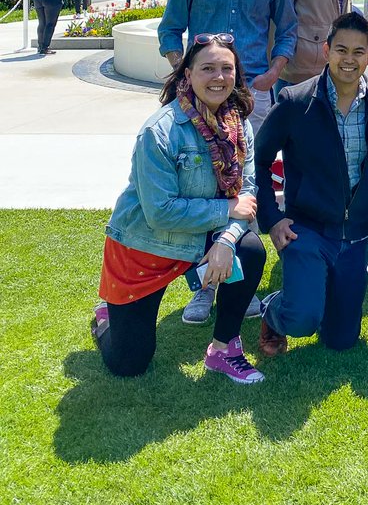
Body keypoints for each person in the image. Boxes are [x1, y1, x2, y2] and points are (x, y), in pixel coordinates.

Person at [158, 0, 297, 324]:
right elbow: (170, 28)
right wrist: (185, 71)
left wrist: (273, 73)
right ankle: (201, 285)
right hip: (196, 96)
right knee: (197, 187)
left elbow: (288, 31)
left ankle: (240, 281)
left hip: (249, 96)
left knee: (246, 186)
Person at [91, 34, 266, 383]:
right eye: (208, 69)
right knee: (130, 363)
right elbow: (160, 212)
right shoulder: (160, 131)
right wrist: (226, 210)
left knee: (250, 250)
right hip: (145, 246)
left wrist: (226, 241)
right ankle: (107, 319)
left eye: (226, 69)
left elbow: (246, 195)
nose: (219, 77)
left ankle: (224, 349)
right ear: (187, 74)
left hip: (198, 238)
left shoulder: (239, 125)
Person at [253, 11, 368, 357]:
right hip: (308, 230)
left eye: (358, 52)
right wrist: (272, 218)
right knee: (302, 320)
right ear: (327, 50)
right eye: (341, 50)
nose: (349, 60)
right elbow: (257, 160)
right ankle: (274, 311)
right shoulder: (295, 102)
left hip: (355, 235)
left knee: (341, 340)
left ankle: (319, 292)